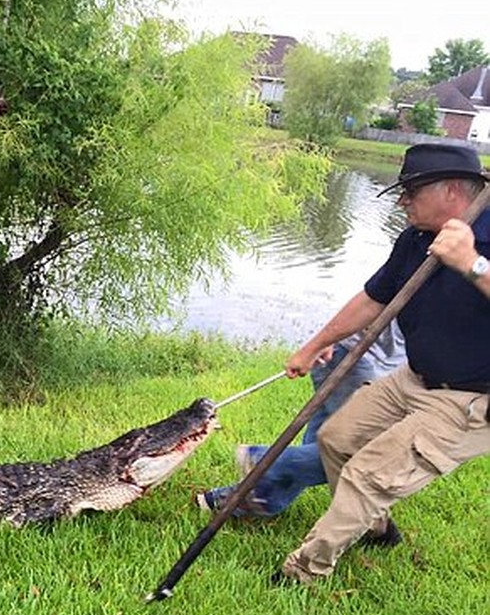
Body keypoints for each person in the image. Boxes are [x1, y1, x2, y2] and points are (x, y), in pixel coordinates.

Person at [273, 142, 490, 585]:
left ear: (452, 191)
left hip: (471, 402)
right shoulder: (415, 239)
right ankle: (375, 526)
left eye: (410, 190)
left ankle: (304, 571)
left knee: (368, 475)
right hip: (414, 379)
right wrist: (314, 345)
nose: (401, 200)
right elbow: (374, 298)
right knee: (336, 438)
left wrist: (470, 263)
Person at [194, 321, 405, 523]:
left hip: (353, 363)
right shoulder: (426, 284)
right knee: (356, 454)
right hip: (354, 365)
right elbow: (372, 299)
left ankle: (245, 499)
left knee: (318, 451)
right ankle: (265, 460)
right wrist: (321, 343)